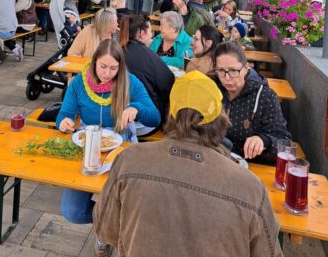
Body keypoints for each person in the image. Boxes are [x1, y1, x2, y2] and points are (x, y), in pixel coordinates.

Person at [93, 70, 283, 257]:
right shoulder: (251, 188)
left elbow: (105, 229)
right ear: (221, 116)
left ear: (171, 114)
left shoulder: (129, 160)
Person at [56, 39, 160, 228]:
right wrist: (63, 122)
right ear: (94, 61)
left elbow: (155, 118)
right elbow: (64, 115)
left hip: (122, 147)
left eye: (113, 68)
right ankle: (110, 223)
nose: (107, 73)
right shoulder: (79, 83)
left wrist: (136, 108)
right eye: (103, 66)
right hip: (86, 146)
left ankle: (110, 228)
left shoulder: (130, 82)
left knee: (129, 201)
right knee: (73, 211)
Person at [214, 42, 291, 163]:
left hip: (251, 164)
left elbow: (284, 142)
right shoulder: (212, 90)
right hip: (216, 160)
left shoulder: (265, 96)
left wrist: (264, 140)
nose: (227, 78)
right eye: (221, 70)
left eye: (233, 70)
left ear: (246, 68)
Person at [119, 14, 174, 126]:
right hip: (146, 119)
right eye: (150, 31)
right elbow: (169, 85)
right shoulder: (150, 57)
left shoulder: (117, 51)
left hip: (118, 114)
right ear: (141, 33)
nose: (151, 35)